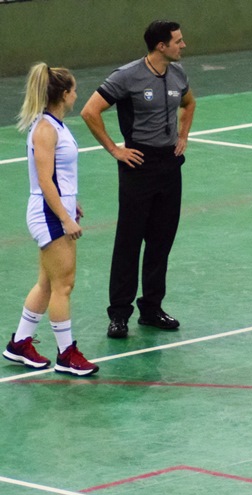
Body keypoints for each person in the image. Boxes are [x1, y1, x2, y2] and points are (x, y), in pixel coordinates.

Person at [80, 19, 196, 339]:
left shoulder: (178, 74)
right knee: (129, 242)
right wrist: (115, 150)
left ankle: (152, 309)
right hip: (138, 165)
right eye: (178, 41)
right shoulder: (127, 76)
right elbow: (90, 111)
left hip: (169, 165)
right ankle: (119, 314)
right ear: (161, 46)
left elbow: (189, 103)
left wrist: (183, 135)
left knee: (161, 240)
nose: (183, 45)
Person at [2, 63, 98, 377]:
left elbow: (60, 176)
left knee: (46, 283)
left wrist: (71, 202)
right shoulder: (45, 129)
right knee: (63, 285)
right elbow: (45, 181)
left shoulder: (56, 125)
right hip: (49, 215)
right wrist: (64, 217)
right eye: (74, 90)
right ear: (64, 94)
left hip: (55, 209)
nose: (77, 95)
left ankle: (19, 344)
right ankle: (67, 355)